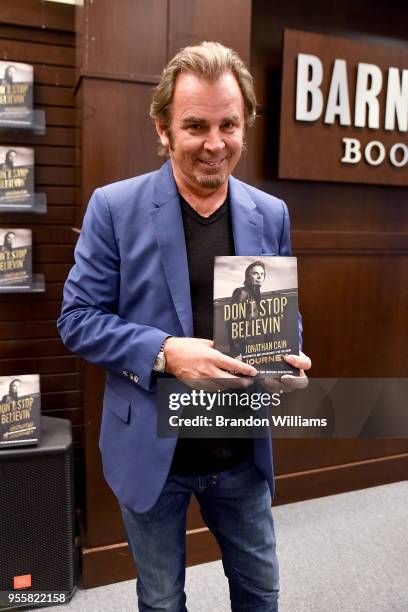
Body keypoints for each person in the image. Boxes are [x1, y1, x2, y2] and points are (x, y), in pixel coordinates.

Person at [58, 42, 311, 612]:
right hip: (153, 453)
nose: (215, 144)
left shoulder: (269, 213)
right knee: (163, 599)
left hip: (241, 453)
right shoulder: (114, 208)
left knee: (261, 594)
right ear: (163, 129)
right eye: (195, 125)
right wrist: (165, 352)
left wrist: (288, 357)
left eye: (230, 124)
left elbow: (283, 314)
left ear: (245, 125)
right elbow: (76, 320)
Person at [228, 260, 266, 357]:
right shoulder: (241, 292)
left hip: (257, 347)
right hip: (244, 349)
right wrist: (237, 352)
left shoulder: (258, 294)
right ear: (247, 277)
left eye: (262, 274)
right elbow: (233, 323)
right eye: (255, 273)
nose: (259, 277)